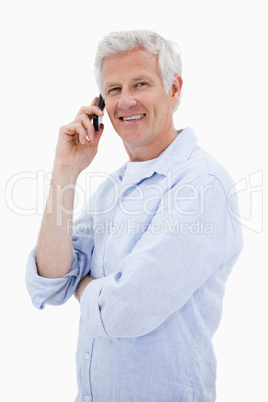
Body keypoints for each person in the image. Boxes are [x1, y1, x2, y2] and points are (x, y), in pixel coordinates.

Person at [26, 30, 243, 402]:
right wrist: (66, 172)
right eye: (113, 90)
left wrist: (84, 285)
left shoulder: (202, 185)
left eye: (140, 84)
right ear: (100, 103)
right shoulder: (115, 187)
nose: (126, 101)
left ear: (173, 89)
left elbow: (124, 312)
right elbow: (49, 281)